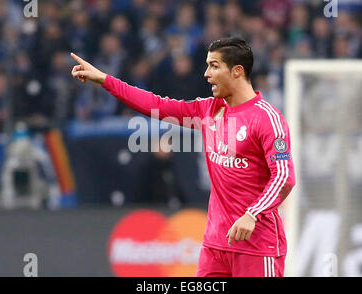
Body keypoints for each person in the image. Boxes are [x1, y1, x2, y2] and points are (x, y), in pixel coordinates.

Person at [70, 37, 295, 277]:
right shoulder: (209, 110)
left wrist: (252, 214)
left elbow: (284, 177)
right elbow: (156, 105)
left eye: (215, 66)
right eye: (208, 65)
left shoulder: (267, 119)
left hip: (257, 246)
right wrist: (105, 80)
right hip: (216, 245)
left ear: (237, 71)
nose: (207, 74)